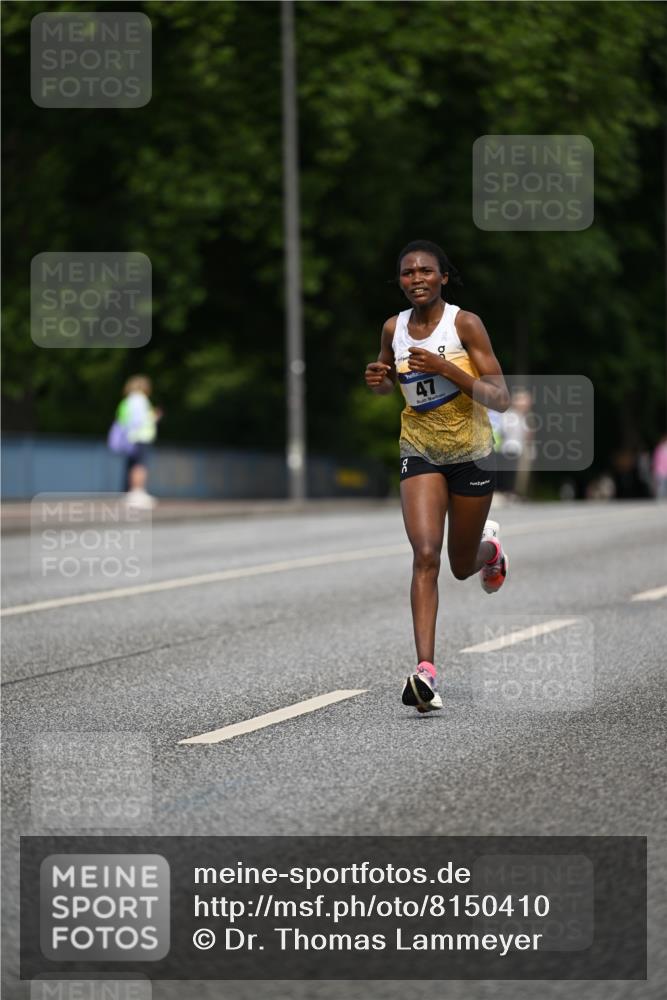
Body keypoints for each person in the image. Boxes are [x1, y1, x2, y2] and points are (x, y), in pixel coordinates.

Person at [365, 240, 511, 713]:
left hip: (471, 453)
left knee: (460, 565)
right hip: (420, 450)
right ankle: (425, 671)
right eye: (407, 273)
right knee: (425, 553)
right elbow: (393, 383)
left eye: (426, 271)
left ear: (443, 277)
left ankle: (491, 552)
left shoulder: (463, 324)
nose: (416, 279)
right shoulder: (393, 328)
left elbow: (500, 396)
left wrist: (448, 367)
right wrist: (381, 380)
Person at [115, 375, 161, 509]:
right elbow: (139, 420)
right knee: (140, 465)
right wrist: (154, 417)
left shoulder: (128, 400)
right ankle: (137, 493)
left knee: (132, 464)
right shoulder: (140, 399)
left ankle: (132, 493)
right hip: (140, 437)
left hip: (130, 437)